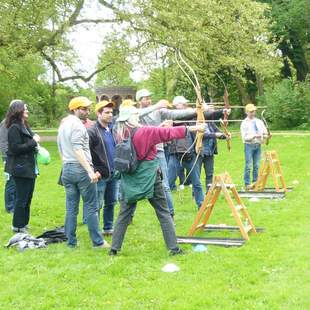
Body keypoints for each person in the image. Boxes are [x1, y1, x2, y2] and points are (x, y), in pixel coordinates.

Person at [109, 106, 205, 256]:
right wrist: (197, 127)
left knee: (124, 214)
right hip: (150, 178)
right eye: (136, 115)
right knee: (163, 213)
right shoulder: (145, 132)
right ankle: (174, 248)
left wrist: (158, 128)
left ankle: (114, 249)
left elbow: (151, 133)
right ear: (133, 118)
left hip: (129, 179)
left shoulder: (120, 133)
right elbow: (168, 133)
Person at [136, 89, 197, 218]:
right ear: (139, 100)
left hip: (158, 151)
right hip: (141, 153)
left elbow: (175, 113)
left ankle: (170, 214)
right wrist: (156, 106)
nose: (148, 100)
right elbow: (138, 114)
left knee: (164, 185)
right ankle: (128, 216)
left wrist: (196, 111)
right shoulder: (136, 112)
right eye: (145, 98)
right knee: (137, 185)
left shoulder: (159, 111)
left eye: (149, 97)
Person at [57, 96, 108, 248]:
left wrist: (65, 163)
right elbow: (77, 149)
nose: (87, 111)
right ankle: (98, 242)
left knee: (71, 207)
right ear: (74, 110)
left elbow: (60, 147)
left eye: (87, 108)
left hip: (67, 168)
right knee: (91, 206)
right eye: (83, 109)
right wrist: (90, 171)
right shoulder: (78, 126)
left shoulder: (63, 125)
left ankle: (71, 242)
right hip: (80, 169)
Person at [6, 100, 40, 233]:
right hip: (21, 169)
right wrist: (33, 142)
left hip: (29, 167)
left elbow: (28, 145)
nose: (27, 111)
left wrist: (36, 146)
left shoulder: (24, 125)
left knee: (28, 197)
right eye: (25, 109)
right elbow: (15, 149)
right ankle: (17, 226)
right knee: (22, 198)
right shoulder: (14, 127)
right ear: (18, 110)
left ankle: (24, 224)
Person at [167, 96, 205, 208]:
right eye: (183, 104)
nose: (185, 106)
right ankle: (167, 211)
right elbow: (177, 121)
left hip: (190, 154)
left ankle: (201, 206)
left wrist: (220, 112)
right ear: (177, 105)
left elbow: (204, 115)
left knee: (197, 183)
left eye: (185, 104)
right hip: (175, 154)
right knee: (167, 184)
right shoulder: (171, 116)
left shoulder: (191, 117)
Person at [88, 100, 117, 236]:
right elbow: (86, 153)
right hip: (100, 174)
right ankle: (95, 231)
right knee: (97, 204)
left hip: (113, 173)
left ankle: (108, 228)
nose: (110, 115)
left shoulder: (112, 128)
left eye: (111, 112)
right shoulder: (92, 131)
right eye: (107, 112)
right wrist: (94, 171)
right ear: (98, 114)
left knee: (111, 202)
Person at [240, 103, 268, 189]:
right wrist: (254, 136)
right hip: (249, 145)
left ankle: (255, 182)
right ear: (246, 112)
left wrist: (267, 135)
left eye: (254, 111)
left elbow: (264, 132)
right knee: (248, 165)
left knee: (256, 165)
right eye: (251, 111)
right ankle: (247, 183)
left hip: (258, 145)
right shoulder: (244, 123)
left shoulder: (259, 121)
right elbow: (244, 137)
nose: (253, 113)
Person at [0, 106, 16, 214]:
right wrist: (6, 158)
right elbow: (3, 141)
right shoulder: (6, 123)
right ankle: (10, 207)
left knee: (16, 182)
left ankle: (15, 205)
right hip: (8, 157)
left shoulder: (18, 122)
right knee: (11, 182)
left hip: (16, 157)